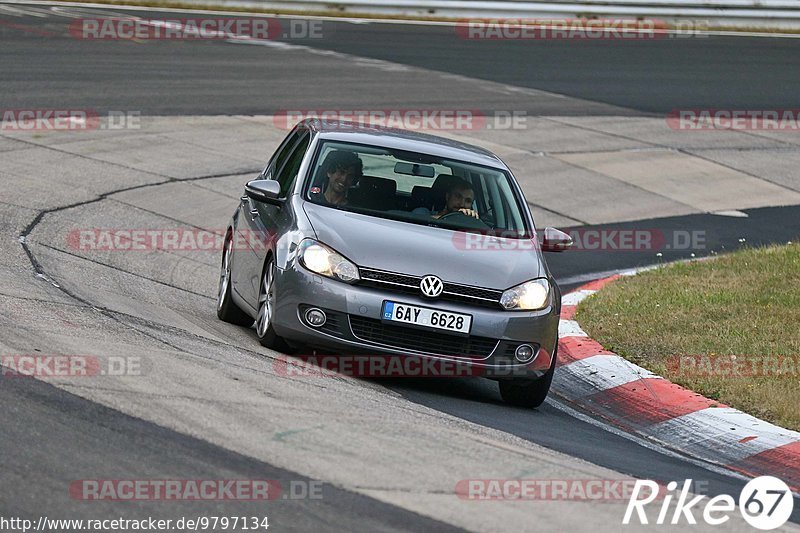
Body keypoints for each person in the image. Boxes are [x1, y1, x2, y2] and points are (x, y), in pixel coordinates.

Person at [413, 178, 479, 219]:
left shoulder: (470, 222)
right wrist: (450, 218)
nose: (462, 204)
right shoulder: (422, 212)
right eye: (458, 196)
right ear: (448, 197)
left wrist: (472, 220)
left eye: (468, 201)